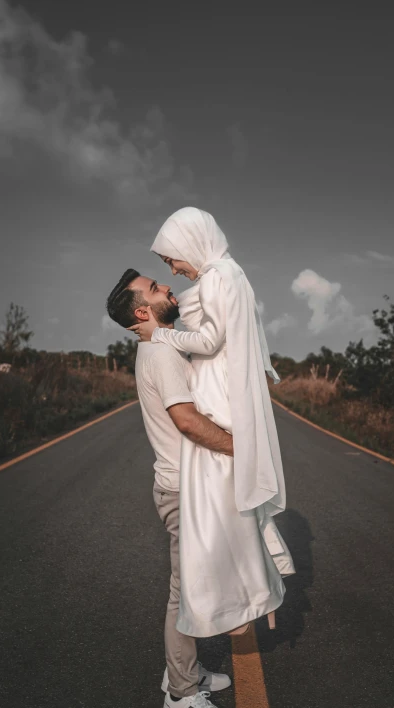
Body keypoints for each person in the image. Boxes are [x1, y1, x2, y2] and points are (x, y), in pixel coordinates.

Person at [129, 207, 295, 639]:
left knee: (214, 506)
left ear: (190, 244)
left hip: (218, 386)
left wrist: (161, 334)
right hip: (220, 380)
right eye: (165, 268)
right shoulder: (227, 274)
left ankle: (230, 602)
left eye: (171, 260)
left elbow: (209, 339)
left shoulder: (219, 276)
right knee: (224, 507)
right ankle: (241, 596)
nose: (173, 271)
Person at [106, 270, 236, 708]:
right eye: (156, 288)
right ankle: (180, 696)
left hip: (185, 486)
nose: (167, 287)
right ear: (143, 310)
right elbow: (185, 419)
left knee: (194, 587)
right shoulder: (161, 351)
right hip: (184, 490)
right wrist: (241, 447)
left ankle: (187, 670)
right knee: (187, 594)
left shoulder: (162, 342)